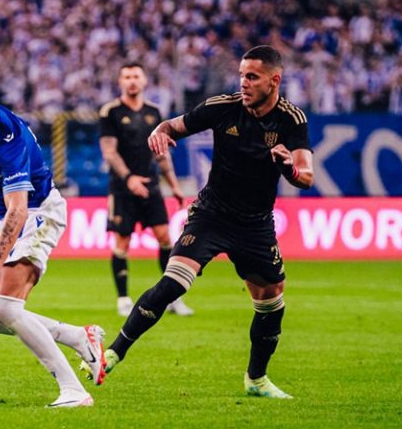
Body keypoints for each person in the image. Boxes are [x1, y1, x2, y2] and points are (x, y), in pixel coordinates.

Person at [94, 46, 314, 399]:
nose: (244, 83)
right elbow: (173, 125)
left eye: (252, 77)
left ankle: (256, 380)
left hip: (255, 225)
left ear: (275, 80)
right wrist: (161, 131)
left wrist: (288, 168)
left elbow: (306, 176)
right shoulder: (222, 107)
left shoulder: (291, 119)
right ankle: (112, 354)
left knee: (271, 301)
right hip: (211, 215)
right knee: (173, 282)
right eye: (241, 75)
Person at [0, 71, 106, 408]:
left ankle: (74, 391)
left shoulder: (8, 138)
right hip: (5, 218)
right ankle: (77, 336)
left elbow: (19, 209)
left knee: (4, 307)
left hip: (38, 212)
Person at [99, 62, 193, 317]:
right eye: (127, 76)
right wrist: (129, 179)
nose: (132, 81)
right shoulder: (110, 112)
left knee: (165, 238)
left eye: (136, 76)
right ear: (120, 81)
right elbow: (109, 152)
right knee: (122, 242)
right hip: (122, 188)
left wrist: (174, 185)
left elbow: (161, 153)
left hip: (151, 185)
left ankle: (173, 298)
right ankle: (123, 299)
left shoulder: (154, 112)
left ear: (144, 81)